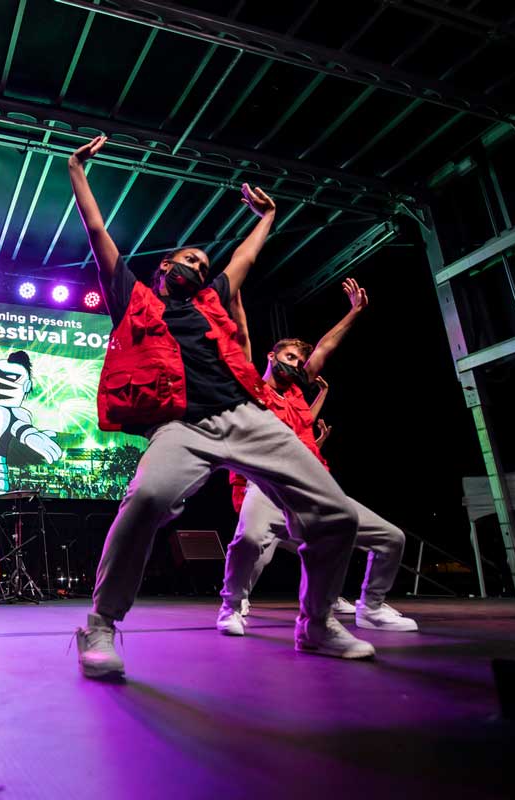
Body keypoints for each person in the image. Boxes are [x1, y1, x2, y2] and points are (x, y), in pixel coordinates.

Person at [66, 135, 373, 679]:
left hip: (247, 416)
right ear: (165, 265)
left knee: (338, 514)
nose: (198, 265)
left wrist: (269, 215)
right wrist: (76, 170)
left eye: (203, 263)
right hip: (182, 426)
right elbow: (96, 231)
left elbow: (246, 256)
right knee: (147, 499)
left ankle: (317, 622)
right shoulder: (133, 296)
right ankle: (100, 623)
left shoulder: (212, 302)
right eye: (189, 257)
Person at [218, 280, 418, 635]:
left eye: (299, 359)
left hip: (311, 488)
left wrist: (354, 312)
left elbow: (326, 346)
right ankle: (232, 606)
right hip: (266, 486)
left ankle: (370, 607)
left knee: (392, 538)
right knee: (251, 541)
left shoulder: (297, 394)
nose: (296, 363)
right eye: (289, 357)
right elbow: (240, 330)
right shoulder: (253, 388)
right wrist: (235, 287)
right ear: (271, 356)